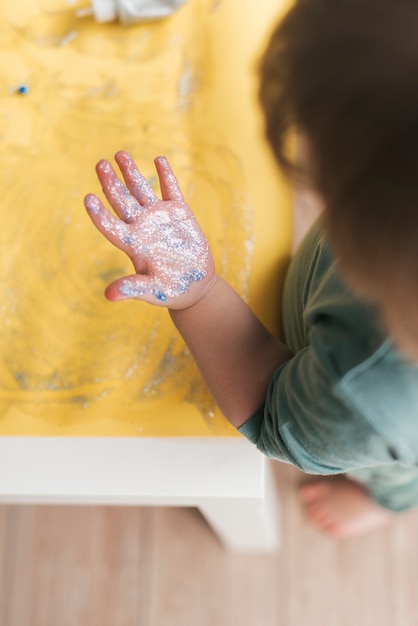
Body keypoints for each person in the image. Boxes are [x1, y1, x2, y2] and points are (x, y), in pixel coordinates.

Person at [84, 0, 418, 537]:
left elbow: (269, 409)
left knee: (395, 470)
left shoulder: (366, 389)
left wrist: (199, 293)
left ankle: (388, 502)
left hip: (391, 437)